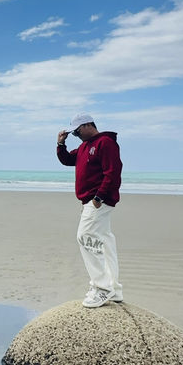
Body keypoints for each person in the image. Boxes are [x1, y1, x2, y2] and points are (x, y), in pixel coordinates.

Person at [57, 113, 123, 308]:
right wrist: (61, 144)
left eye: (77, 132)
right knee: (105, 240)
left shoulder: (105, 143)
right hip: (91, 200)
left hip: (98, 200)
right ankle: (114, 288)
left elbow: (113, 171)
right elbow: (68, 161)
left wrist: (98, 197)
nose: (76, 135)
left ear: (87, 125)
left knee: (85, 236)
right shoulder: (85, 146)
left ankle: (102, 288)